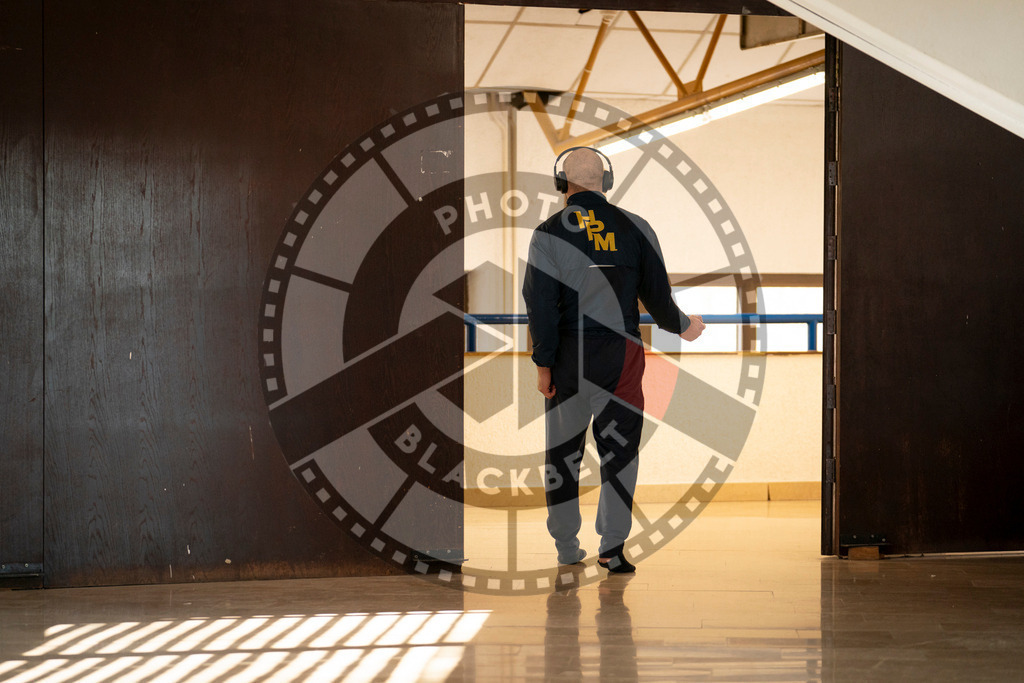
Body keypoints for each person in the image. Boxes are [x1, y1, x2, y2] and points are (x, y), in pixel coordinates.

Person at [522, 147, 705, 573]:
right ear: (606, 182)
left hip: (568, 356)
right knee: (619, 452)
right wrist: (683, 326)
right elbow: (657, 295)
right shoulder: (636, 227)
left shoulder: (547, 232)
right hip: (620, 355)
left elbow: (541, 305)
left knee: (563, 453)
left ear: (560, 183)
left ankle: (566, 547)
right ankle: (613, 549)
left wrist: (543, 365)